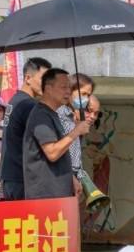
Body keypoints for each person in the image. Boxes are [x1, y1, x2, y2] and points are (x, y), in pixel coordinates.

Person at [22, 68, 94, 200]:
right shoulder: (41, 115)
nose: (68, 92)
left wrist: (70, 178)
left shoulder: (52, 114)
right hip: (45, 197)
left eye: (69, 87)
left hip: (59, 194)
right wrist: (76, 131)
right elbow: (52, 153)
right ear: (48, 88)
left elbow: (60, 153)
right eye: (63, 87)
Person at [1, 57, 50, 200]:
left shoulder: (15, 100)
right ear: (28, 78)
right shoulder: (29, 105)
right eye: (43, 79)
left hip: (10, 177)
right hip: (23, 178)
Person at [56, 72, 95, 195]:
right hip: (63, 176)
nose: (86, 99)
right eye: (83, 94)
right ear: (70, 90)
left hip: (73, 177)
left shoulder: (73, 117)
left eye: (88, 95)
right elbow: (59, 150)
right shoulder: (60, 114)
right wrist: (70, 177)